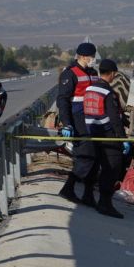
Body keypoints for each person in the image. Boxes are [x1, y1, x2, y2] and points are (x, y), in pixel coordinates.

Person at [83, 59, 128, 219]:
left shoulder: (89, 88)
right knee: (112, 168)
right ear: (113, 73)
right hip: (107, 135)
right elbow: (115, 118)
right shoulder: (108, 92)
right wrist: (123, 139)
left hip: (92, 132)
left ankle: (89, 197)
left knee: (99, 167)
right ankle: (105, 203)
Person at [57, 42, 100, 205]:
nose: (93, 59)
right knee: (86, 155)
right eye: (91, 57)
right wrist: (67, 124)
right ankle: (68, 188)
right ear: (82, 56)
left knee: (95, 158)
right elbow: (62, 100)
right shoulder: (70, 74)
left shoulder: (93, 73)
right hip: (78, 120)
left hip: (94, 121)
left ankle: (88, 195)